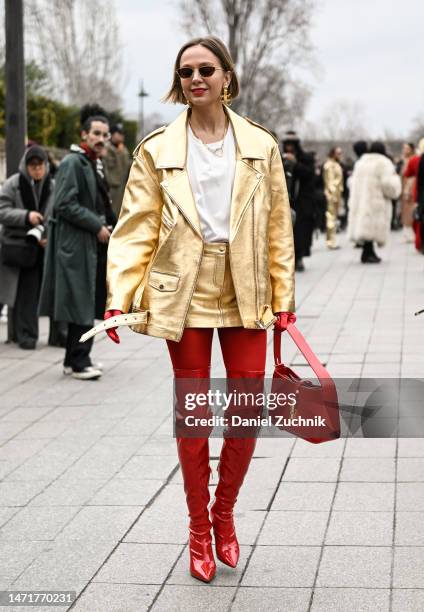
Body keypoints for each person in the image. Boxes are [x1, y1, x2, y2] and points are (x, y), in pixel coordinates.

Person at [101, 36, 295, 582]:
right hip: (181, 290)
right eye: (185, 71)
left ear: (226, 76)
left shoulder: (259, 143)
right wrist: (119, 298)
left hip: (247, 286)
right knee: (193, 413)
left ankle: (224, 514)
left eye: (206, 69)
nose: (195, 79)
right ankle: (196, 529)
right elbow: (135, 227)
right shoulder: (156, 148)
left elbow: (279, 224)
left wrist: (285, 299)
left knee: (246, 408)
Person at [39, 105, 116, 379]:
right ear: (84, 134)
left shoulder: (91, 162)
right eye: (96, 133)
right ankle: (80, 362)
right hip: (76, 245)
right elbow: (63, 204)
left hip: (85, 245)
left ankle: (74, 359)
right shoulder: (74, 162)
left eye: (104, 134)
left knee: (82, 302)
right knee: (81, 303)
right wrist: (96, 225)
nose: (101, 138)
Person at [0, 145, 54, 349]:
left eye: (40, 166)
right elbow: (2, 210)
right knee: (9, 293)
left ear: (46, 166)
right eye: (33, 166)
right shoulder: (13, 184)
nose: (37, 170)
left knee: (29, 294)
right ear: (26, 166)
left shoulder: (53, 185)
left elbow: (56, 214)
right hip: (15, 245)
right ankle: (23, 335)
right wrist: (26, 216)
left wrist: (47, 234)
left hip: (39, 247)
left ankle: (28, 336)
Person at [347, 141, 401, 263]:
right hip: (376, 201)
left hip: (362, 200)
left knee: (366, 224)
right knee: (373, 225)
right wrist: (396, 185)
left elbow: (352, 182)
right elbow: (388, 184)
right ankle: (368, 252)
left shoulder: (361, 162)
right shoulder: (383, 163)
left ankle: (368, 251)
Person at [281, 131, 316, 271]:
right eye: (287, 145)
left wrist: (295, 164)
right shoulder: (279, 157)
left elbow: (309, 175)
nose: (289, 148)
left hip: (302, 201)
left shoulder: (305, 158)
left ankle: (299, 258)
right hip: (284, 200)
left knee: (301, 232)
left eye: (291, 145)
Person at [103, 124, 131, 217]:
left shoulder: (124, 150)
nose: (121, 136)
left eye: (122, 133)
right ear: (112, 134)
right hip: (110, 188)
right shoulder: (105, 149)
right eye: (118, 133)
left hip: (122, 188)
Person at [323, 147, 344, 249]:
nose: (340, 155)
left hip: (336, 194)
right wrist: (333, 196)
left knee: (333, 218)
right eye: (338, 153)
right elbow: (330, 182)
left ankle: (332, 240)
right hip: (332, 196)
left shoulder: (335, 164)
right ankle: (330, 242)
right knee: (331, 218)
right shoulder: (329, 165)